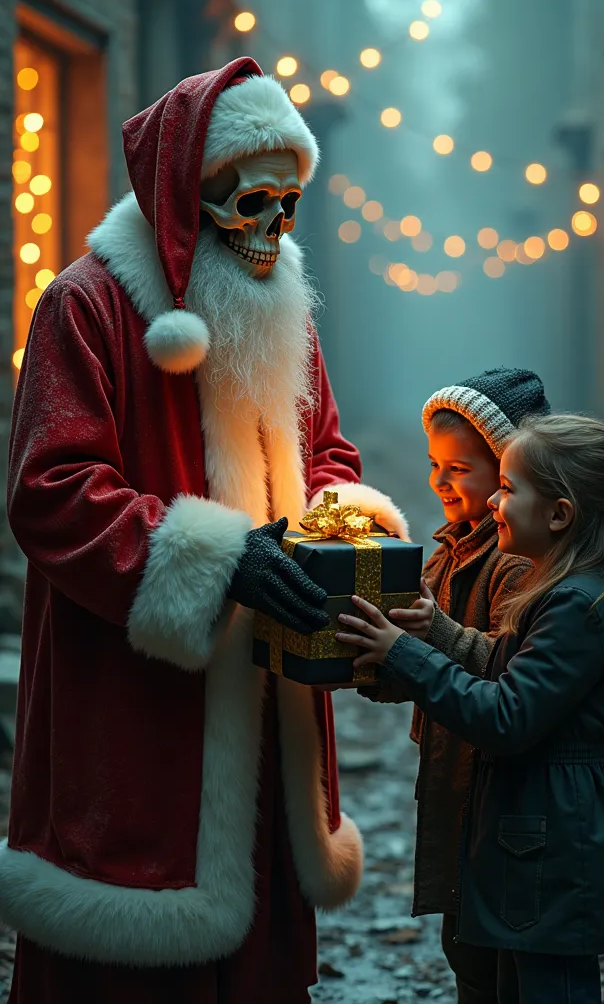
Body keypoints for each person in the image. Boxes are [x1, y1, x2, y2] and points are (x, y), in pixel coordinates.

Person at [0, 58, 408, 1004]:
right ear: (189, 199)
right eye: (250, 204)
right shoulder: (86, 307)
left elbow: (328, 452)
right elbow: (51, 490)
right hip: (140, 699)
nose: (272, 232)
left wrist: (341, 532)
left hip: (272, 681)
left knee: (259, 902)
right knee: (142, 920)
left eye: (290, 206)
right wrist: (219, 560)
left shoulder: (280, 313)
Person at [337, 414, 604, 1004]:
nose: (493, 499)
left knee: (550, 989)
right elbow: (507, 668)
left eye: (510, 488)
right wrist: (435, 632)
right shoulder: (563, 591)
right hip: (540, 832)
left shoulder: (575, 604)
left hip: (558, 838)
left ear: (559, 514)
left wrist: (405, 655)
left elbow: (507, 716)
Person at [362, 368, 549, 1002]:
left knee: (509, 950)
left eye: (460, 470)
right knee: (464, 942)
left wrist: (422, 638)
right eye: (435, 466)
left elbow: (504, 672)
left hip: (505, 787)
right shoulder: (444, 554)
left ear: (508, 474)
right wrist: (364, 659)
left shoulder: (519, 562)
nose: (440, 482)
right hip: (451, 777)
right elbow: (419, 668)